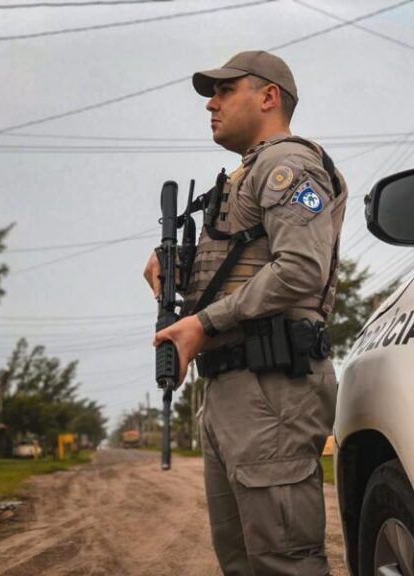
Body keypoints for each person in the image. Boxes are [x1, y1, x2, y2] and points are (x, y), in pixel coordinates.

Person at [143, 50, 347, 576]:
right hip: (233, 384)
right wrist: (179, 270)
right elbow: (241, 267)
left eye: (224, 90)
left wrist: (203, 323)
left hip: (271, 384)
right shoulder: (245, 175)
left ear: (268, 97)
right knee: (242, 563)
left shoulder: (287, 166)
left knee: (283, 563)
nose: (211, 104)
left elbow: (300, 270)